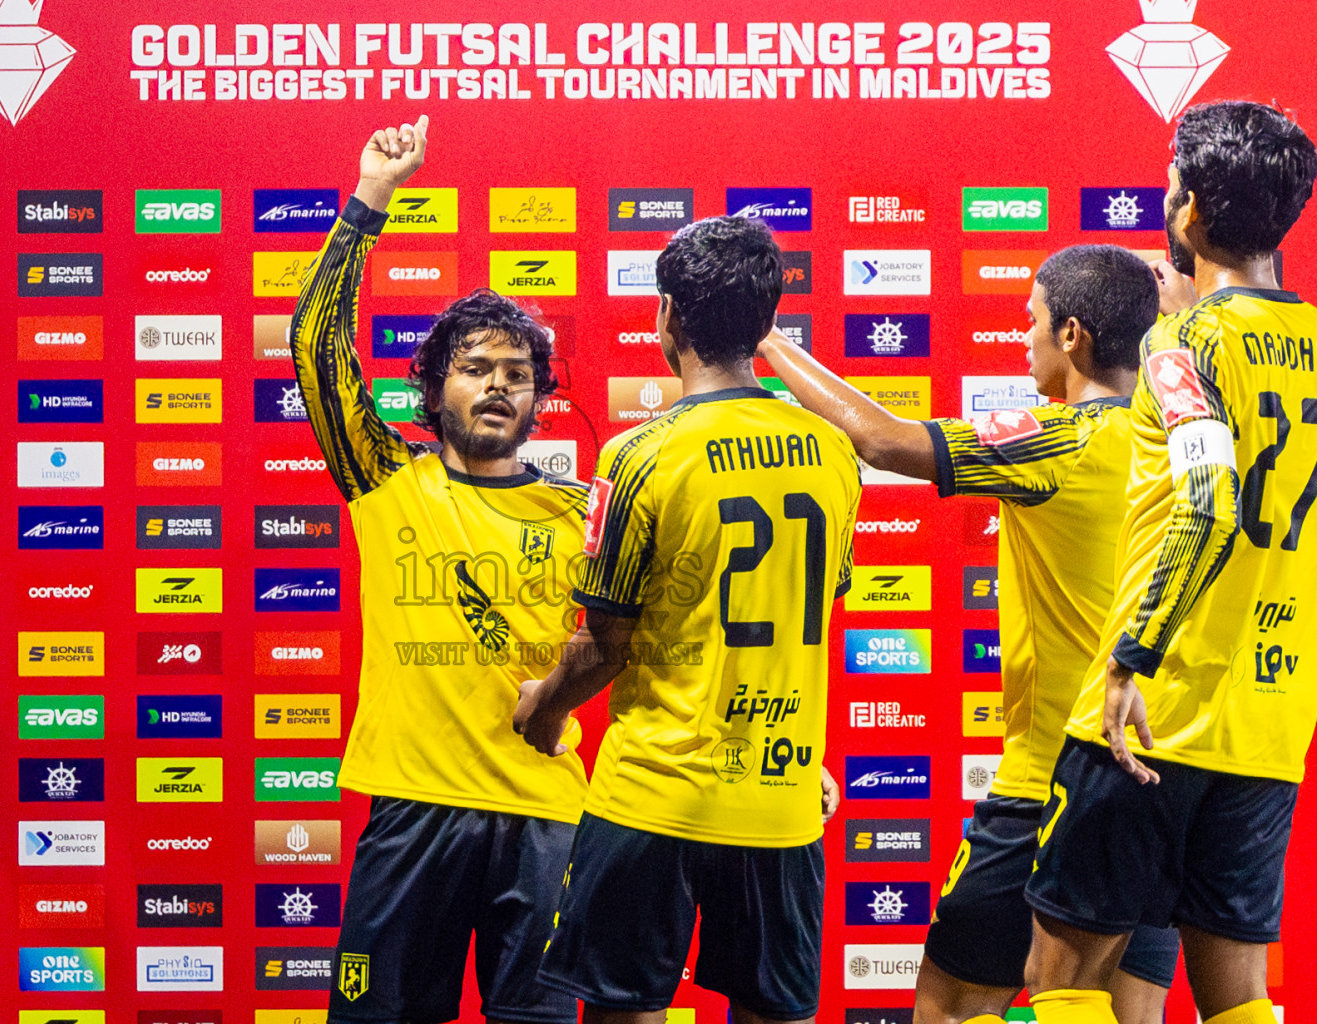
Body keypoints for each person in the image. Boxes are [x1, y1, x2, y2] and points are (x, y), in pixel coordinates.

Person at [757, 244, 1177, 1024]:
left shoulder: (1063, 439)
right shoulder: (1178, 443)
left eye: (1033, 322)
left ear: (1074, 335)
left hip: (1052, 784)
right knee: (1126, 1015)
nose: (1024, 339)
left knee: (947, 1007)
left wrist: (767, 338)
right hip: (1159, 786)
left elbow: (884, 441)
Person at [514, 214, 861, 1024]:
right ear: (769, 325)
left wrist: (545, 705)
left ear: (666, 315)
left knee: (625, 1010)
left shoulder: (640, 454)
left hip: (654, 798)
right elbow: (804, 605)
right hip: (779, 794)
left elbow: (604, 643)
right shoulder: (834, 450)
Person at [291, 114, 591, 1024]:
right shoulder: (386, 479)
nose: (499, 384)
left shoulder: (584, 511)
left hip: (545, 820)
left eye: (518, 372)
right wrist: (370, 200)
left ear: (540, 398)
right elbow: (314, 350)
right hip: (413, 814)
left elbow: (662, 645)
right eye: (474, 368)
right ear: (434, 390)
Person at [1023, 101, 1317, 1024]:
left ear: (1189, 214)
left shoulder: (1175, 346)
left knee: (1061, 984)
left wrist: (1130, 658)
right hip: (1270, 719)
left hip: (1154, 716)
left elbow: (1205, 501)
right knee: (1237, 996)